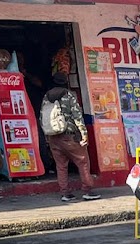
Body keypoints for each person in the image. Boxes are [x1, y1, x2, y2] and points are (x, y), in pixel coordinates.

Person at [41, 72, 100, 203]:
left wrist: (46, 136)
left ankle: (65, 193)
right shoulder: (68, 95)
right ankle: (87, 191)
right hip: (69, 136)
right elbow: (77, 116)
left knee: (61, 166)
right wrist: (84, 134)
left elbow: (42, 117)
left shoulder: (47, 96)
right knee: (83, 161)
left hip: (53, 137)